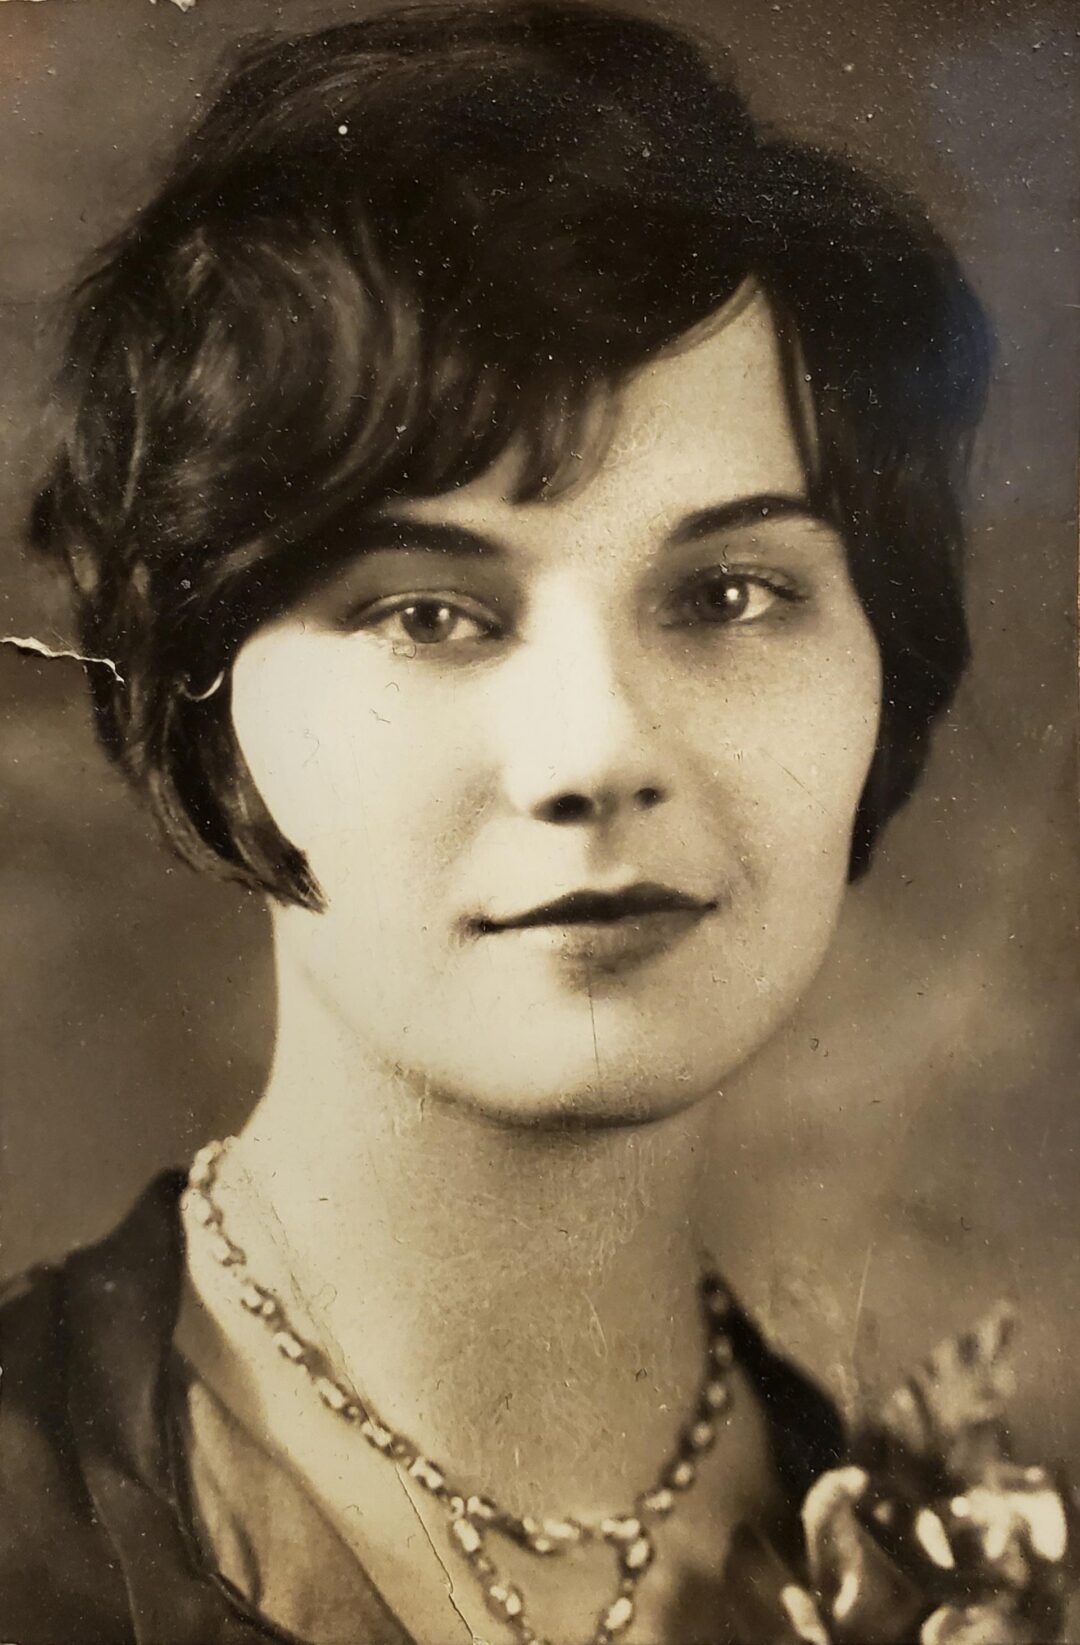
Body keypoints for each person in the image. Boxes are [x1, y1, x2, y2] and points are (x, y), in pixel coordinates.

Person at [11, 4, 1069, 1643]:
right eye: (430, 612)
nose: (595, 754)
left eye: (732, 590)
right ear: (205, 692)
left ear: (886, 668)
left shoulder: (964, 1567)